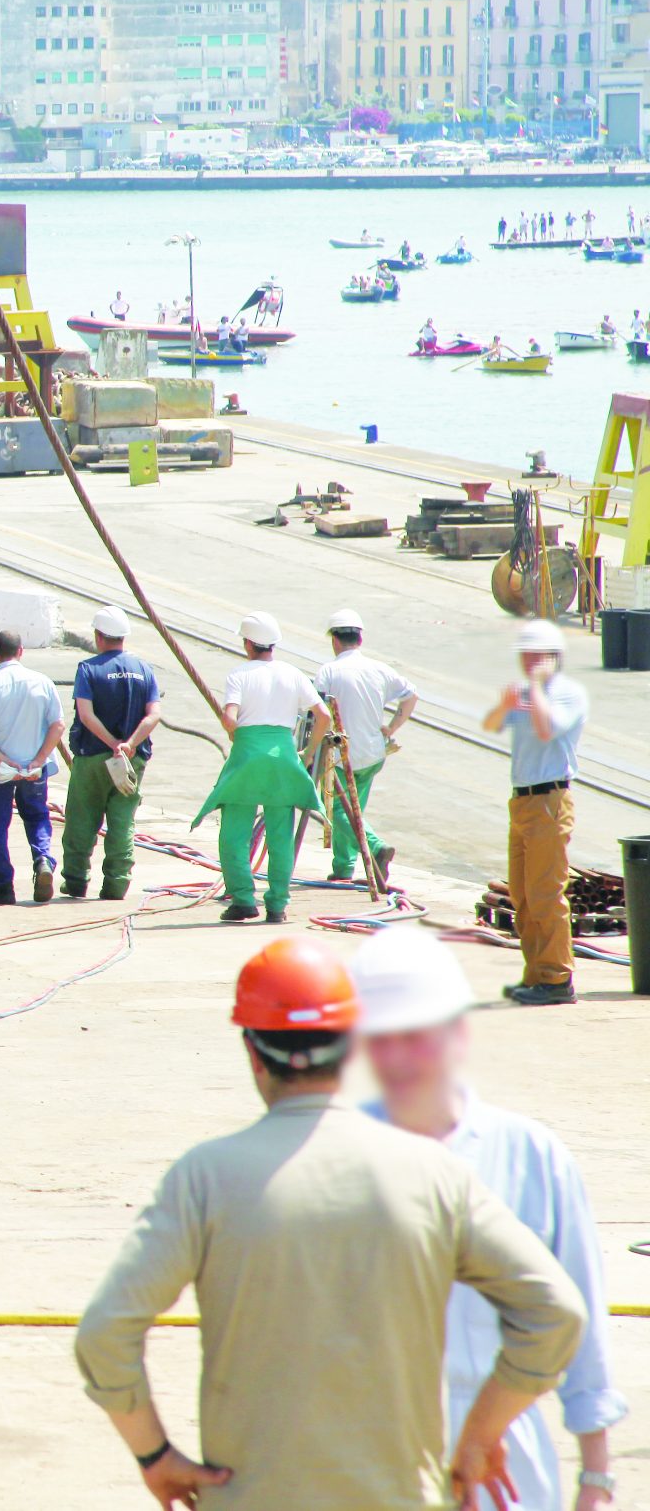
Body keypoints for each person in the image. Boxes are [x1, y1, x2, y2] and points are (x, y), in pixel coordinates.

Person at [76, 939, 584, 1511]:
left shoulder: (205, 1178)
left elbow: (104, 1332)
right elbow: (556, 1313)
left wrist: (154, 1455)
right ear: (349, 1049)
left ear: (252, 1052)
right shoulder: (434, 1174)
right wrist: (480, 1436)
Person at [354, 933, 628, 1511]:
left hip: (505, 1458)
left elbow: (579, 1313)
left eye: (415, 1035)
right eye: (381, 1039)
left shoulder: (529, 1153)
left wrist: (596, 1477)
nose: (398, 1057)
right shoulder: (338, 1156)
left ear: (457, 1033)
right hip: (374, 1451)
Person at [196, 611, 329, 924]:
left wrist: (235, 733)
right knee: (280, 836)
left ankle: (243, 900)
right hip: (283, 757)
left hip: (247, 757)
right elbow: (323, 716)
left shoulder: (240, 675)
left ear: (247, 643)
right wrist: (308, 754)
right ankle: (277, 906)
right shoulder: (293, 673)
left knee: (233, 834)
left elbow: (230, 717)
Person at [483, 621, 587, 1006]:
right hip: (522, 801)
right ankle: (536, 973)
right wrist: (508, 703)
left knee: (546, 893)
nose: (529, 662)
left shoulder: (567, 695)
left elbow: (548, 731)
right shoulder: (526, 695)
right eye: (526, 656)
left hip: (549, 800)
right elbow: (493, 724)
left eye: (536, 656)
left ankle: (557, 977)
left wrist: (538, 692)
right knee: (523, 895)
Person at [63, 606, 159, 901]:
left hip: (92, 757)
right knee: (122, 821)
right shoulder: (145, 670)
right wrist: (128, 744)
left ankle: (77, 881)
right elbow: (154, 715)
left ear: (99, 636)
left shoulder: (88, 670)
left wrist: (112, 742)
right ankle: (117, 884)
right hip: (131, 761)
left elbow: (86, 715)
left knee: (81, 818)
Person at [316, 608, 417, 886]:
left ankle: (375, 848)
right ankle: (343, 867)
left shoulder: (329, 671)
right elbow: (411, 696)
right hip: (372, 753)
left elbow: (319, 714)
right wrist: (392, 727)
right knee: (353, 807)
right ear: (360, 639)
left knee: (339, 810)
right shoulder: (380, 669)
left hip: (340, 755)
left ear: (335, 640)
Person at [0, 627, 66, 906]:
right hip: (34, 768)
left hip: (1, 770)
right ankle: (43, 859)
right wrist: (39, 758)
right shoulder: (42, 682)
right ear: (21, 651)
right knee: (36, 817)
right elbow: (58, 725)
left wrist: (1, 759)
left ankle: (3, 885)